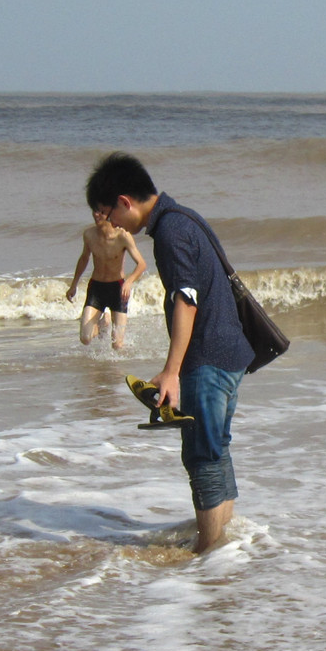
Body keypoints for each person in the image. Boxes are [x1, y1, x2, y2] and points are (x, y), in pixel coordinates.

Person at [86, 152, 253, 554]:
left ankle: (208, 555)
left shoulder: (171, 231)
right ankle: (222, 548)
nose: (111, 225)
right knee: (216, 450)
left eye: (109, 214)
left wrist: (172, 370)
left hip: (207, 359)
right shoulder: (186, 218)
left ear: (125, 201)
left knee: (202, 457)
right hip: (229, 354)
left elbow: (187, 299)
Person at [65, 207, 148, 350]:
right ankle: (103, 323)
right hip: (97, 288)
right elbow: (84, 258)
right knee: (85, 339)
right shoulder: (89, 234)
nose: (97, 215)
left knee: (117, 345)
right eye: (95, 211)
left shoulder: (123, 235)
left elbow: (141, 264)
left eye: (101, 212)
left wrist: (129, 282)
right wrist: (74, 285)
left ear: (110, 214)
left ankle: (106, 319)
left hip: (118, 289)